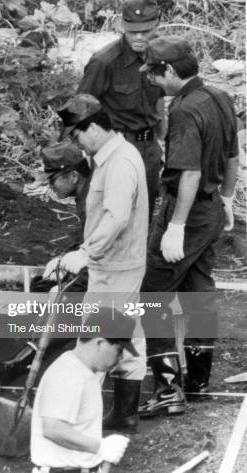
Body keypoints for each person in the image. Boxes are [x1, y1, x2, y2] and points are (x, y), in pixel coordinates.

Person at [137, 36, 239, 417]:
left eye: (154, 73)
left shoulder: (183, 110)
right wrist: (227, 198)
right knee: (199, 292)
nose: (152, 80)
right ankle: (197, 383)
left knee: (152, 293)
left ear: (169, 71)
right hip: (210, 211)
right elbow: (232, 154)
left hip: (189, 211)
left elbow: (190, 172)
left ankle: (167, 388)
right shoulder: (219, 96)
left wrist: (175, 225)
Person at [54, 93, 149, 433]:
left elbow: (117, 217)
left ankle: (82, 420)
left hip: (114, 268)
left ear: (93, 127)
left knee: (95, 341)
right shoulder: (110, 158)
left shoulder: (120, 162)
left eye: (77, 135)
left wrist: (86, 253)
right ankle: (124, 415)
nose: (77, 144)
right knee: (128, 336)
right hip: (116, 265)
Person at [0, 141, 91, 385]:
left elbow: (100, 245)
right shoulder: (84, 195)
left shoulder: (91, 198)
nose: (49, 185)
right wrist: (63, 259)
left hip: (109, 267)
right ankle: (6, 322)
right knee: (44, 284)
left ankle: (21, 363)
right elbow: (87, 239)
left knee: (68, 299)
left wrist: (69, 277)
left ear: (73, 175)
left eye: (52, 180)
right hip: (95, 258)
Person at [77, 0, 164, 219]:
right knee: (109, 212)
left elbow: (161, 99)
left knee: (144, 212)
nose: (139, 37)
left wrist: (162, 139)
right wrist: (87, 150)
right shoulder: (104, 61)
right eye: (133, 32)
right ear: (122, 26)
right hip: (116, 145)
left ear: (157, 25)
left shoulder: (161, 56)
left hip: (150, 147)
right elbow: (77, 109)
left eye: (145, 31)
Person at [31, 309, 137, 473]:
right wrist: (101, 447)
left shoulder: (82, 372)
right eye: (119, 350)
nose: (121, 357)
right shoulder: (66, 373)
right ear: (100, 343)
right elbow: (52, 428)